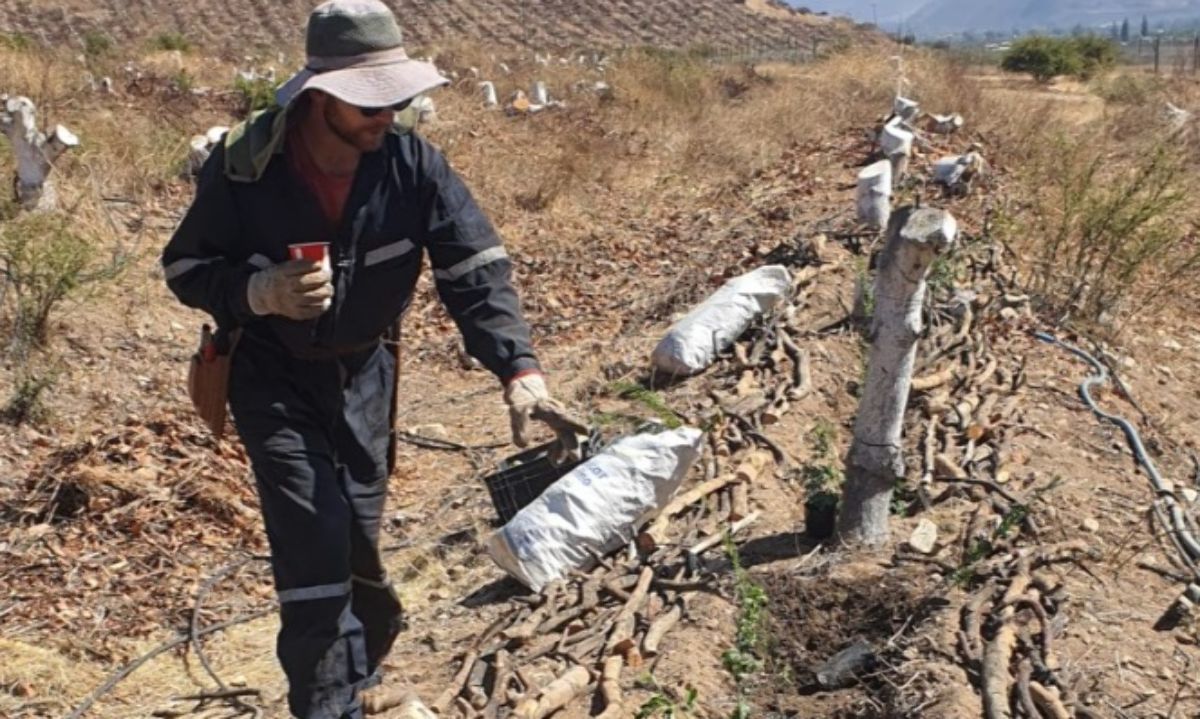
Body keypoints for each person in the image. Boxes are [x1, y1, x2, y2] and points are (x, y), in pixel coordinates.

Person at [160, 1, 583, 716]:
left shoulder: (412, 164)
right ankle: (330, 704)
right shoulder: (246, 169)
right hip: (270, 376)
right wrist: (256, 291)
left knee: (356, 532)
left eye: (395, 96)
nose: (388, 113)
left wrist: (520, 371)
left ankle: (357, 663)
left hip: (364, 374)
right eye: (370, 102)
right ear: (321, 95)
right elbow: (185, 269)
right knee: (314, 539)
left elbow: (474, 270)